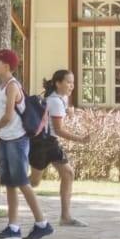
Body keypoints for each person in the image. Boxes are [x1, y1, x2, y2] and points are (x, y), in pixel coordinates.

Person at [0, 48, 52, 239]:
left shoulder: (11, 86)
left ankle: (42, 223)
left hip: (16, 140)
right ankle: (13, 227)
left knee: (22, 182)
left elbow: (8, 116)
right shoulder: (3, 85)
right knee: (9, 182)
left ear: (5, 66)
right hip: (7, 139)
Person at [29, 68, 89, 227]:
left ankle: (65, 217)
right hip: (41, 144)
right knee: (32, 182)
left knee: (68, 173)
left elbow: (57, 124)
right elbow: (59, 130)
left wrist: (69, 113)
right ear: (58, 83)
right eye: (68, 82)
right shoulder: (55, 101)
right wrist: (81, 139)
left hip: (51, 143)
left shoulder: (61, 99)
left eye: (73, 83)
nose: (72, 86)